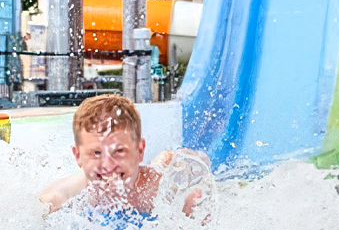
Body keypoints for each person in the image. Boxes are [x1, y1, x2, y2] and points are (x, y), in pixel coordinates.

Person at [38, 94, 213, 219]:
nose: (107, 165)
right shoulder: (76, 192)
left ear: (139, 151)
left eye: (119, 151)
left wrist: (189, 210)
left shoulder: (154, 186)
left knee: (166, 165)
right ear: (78, 156)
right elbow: (46, 203)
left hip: (151, 173)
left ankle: (166, 157)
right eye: (96, 153)